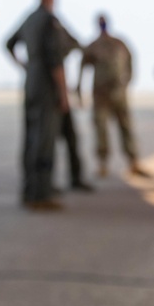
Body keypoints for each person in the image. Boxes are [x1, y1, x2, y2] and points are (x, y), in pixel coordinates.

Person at [5, 0, 70, 211]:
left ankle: (29, 189)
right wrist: (63, 94)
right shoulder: (49, 20)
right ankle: (40, 195)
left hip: (31, 80)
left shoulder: (30, 18)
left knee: (31, 137)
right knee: (45, 140)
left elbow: (8, 44)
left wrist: (25, 65)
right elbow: (56, 62)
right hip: (46, 86)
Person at [76, 15, 150, 178]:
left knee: (126, 126)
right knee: (101, 128)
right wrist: (79, 90)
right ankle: (103, 164)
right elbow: (82, 67)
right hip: (101, 95)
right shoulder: (94, 46)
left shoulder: (119, 44)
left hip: (118, 94)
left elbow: (130, 61)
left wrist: (126, 81)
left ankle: (133, 162)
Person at [56, 26, 95, 193]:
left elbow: (76, 45)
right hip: (55, 99)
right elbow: (56, 67)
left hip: (56, 97)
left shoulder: (40, 24)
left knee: (70, 139)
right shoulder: (50, 28)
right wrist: (64, 97)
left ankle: (75, 178)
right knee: (47, 144)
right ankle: (42, 188)